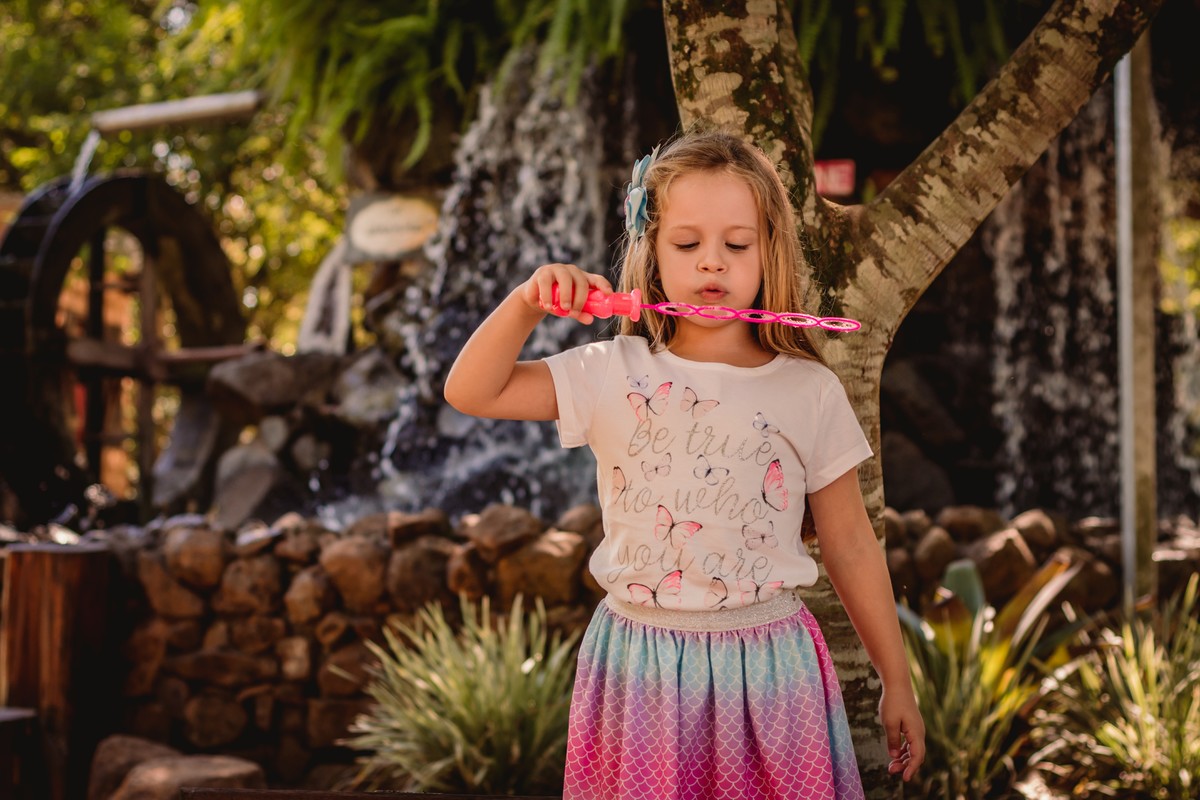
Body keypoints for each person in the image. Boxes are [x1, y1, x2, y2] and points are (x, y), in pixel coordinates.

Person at [444, 130, 924, 800]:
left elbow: (848, 543)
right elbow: (471, 390)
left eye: (736, 244)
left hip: (770, 671)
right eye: (688, 244)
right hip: (639, 669)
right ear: (652, 251)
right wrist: (528, 302)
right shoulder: (612, 371)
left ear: (768, 251)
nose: (713, 265)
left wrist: (895, 679)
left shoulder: (807, 389)